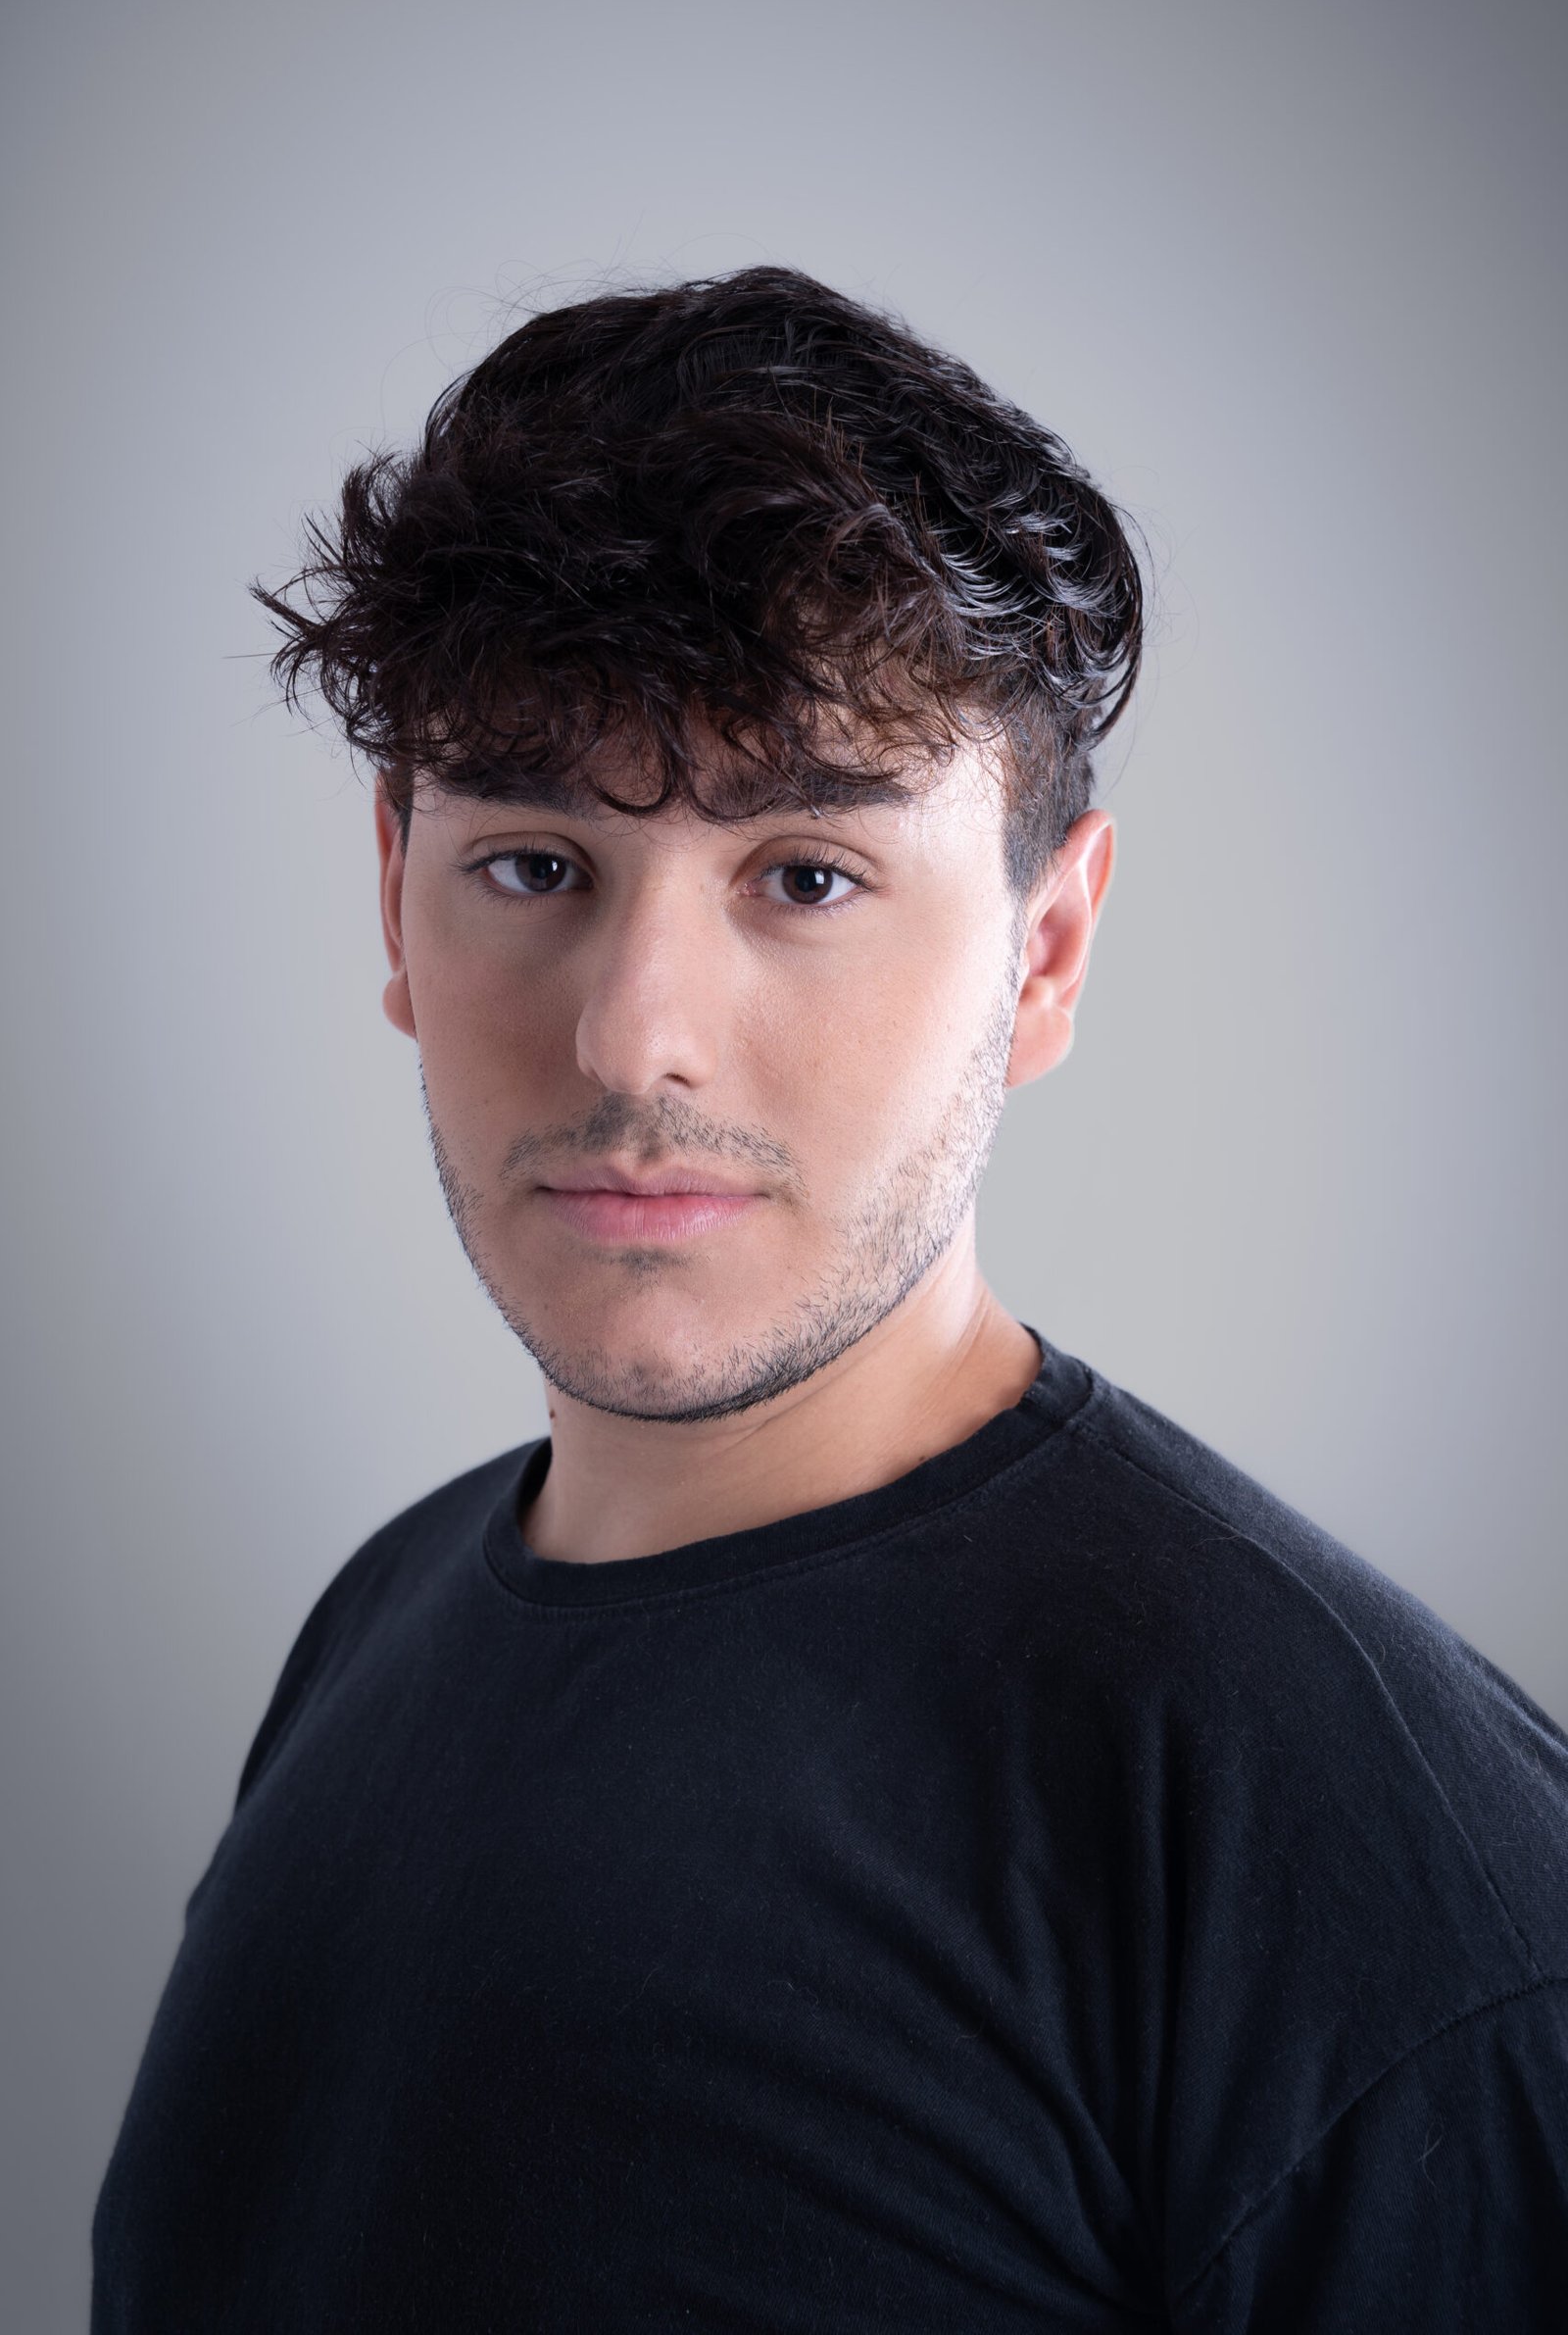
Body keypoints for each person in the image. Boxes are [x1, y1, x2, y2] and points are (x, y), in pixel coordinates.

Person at [92, 266, 1568, 2330]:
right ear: (396, 901)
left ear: (1043, 954)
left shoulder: (1339, 1840)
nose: (634, 1035)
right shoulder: (374, 1628)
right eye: (532, 865)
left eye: (804, 876)